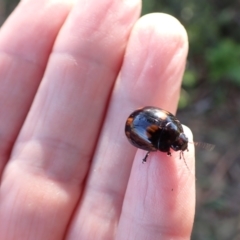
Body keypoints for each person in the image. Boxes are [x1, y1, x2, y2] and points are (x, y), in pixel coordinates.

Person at [0, 0, 195, 239]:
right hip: (138, 123)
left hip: (139, 122)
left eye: (178, 144)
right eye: (177, 144)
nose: (177, 145)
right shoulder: (162, 139)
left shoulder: (166, 131)